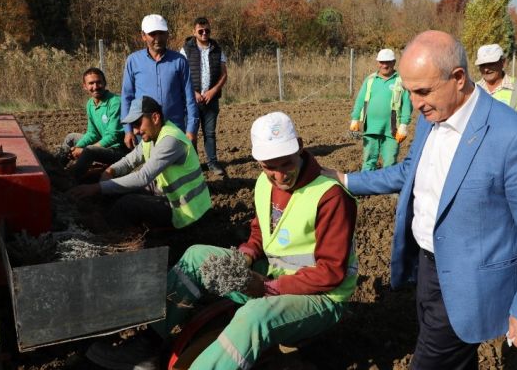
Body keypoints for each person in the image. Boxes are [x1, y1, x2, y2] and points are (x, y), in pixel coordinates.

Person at [324, 31, 517, 369]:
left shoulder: (516, 138)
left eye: (423, 91)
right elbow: (410, 171)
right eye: (409, 92)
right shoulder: (431, 118)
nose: (416, 103)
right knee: (457, 361)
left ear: (459, 78)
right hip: (427, 269)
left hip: (470, 281)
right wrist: (346, 180)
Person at [85, 111, 358, 370]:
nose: (280, 175)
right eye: (269, 168)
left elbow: (331, 272)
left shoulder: (330, 196)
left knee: (254, 318)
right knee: (196, 257)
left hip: (320, 297)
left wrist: (268, 287)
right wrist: (247, 254)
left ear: (299, 147)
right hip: (273, 277)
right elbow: (262, 231)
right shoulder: (265, 184)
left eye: (286, 162)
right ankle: (148, 344)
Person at [69, 96, 211, 231]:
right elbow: (129, 161)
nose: (135, 131)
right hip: (165, 192)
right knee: (115, 191)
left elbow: (143, 177)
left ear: (155, 118)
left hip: (185, 210)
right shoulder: (152, 136)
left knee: (127, 203)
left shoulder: (171, 140)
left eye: (138, 124)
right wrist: (110, 171)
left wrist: (97, 187)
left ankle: (106, 235)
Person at [121, 13, 199, 149]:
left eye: (162, 33)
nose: (158, 38)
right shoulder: (133, 61)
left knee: (177, 168)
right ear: (143, 35)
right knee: (149, 168)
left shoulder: (179, 61)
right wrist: (128, 131)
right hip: (145, 131)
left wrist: (191, 130)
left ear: (167, 34)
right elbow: (126, 98)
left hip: (174, 129)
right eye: (153, 34)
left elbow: (189, 98)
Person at [180, 16, 228, 176]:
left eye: (207, 30)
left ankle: (212, 163)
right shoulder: (185, 50)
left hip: (211, 101)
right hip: (191, 101)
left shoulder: (218, 49)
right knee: (191, 134)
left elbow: (224, 74)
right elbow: (180, 76)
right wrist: (193, 93)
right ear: (194, 32)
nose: (204, 33)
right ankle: (193, 165)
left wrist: (213, 91)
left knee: (210, 133)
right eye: (200, 31)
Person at [350, 48, 412, 170]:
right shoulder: (370, 80)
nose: (384, 65)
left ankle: (388, 188)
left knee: (390, 162)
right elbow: (360, 100)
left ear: (394, 62)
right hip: (371, 129)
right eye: (381, 62)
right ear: (377, 62)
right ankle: (365, 186)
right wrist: (355, 118)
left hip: (392, 130)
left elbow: (407, 105)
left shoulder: (401, 81)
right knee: (368, 161)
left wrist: (404, 125)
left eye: (388, 62)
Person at [61, 67, 127, 181]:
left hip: (117, 150)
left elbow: (113, 136)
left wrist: (83, 150)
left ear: (104, 83)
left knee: (89, 151)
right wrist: (78, 147)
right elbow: (92, 133)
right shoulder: (90, 104)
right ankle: (57, 170)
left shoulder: (115, 102)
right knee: (71, 138)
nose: (95, 87)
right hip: (102, 143)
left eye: (98, 82)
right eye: (91, 83)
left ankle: (72, 180)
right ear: (84, 86)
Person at [475, 43, 517, 122]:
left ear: (503, 62)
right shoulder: (474, 90)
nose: (486, 69)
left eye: (491, 64)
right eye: (483, 65)